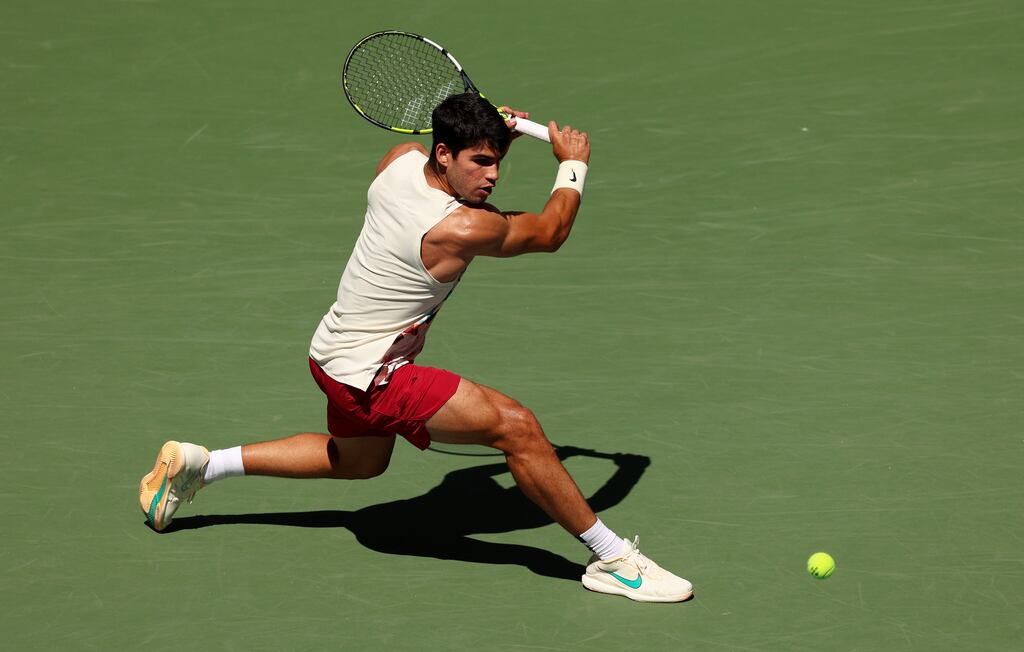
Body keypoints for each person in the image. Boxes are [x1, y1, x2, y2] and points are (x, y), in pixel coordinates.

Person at [138, 92, 692, 603]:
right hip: (375, 373)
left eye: (497, 159)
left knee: (358, 461)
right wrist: (573, 162)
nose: (493, 175)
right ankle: (614, 560)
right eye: (480, 162)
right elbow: (550, 231)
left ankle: (201, 466)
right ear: (445, 153)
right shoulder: (461, 229)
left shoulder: (400, 161)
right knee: (516, 427)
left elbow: (433, 167)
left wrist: (497, 135)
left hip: (331, 354)